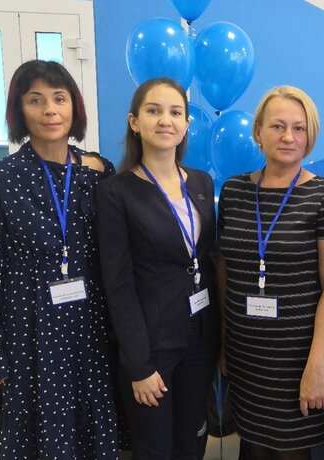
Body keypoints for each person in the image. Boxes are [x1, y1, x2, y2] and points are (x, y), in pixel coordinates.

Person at [0, 60, 118, 459]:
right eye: (36, 100)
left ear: (74, 108)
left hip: (90, 325)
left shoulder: (97, 172)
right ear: (20, 110)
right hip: (29, 329)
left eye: (59, 99)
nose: (50, 110)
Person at [217, 85, 324, 460]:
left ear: (310, 136)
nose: (288, 136)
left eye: (298, 128)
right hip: (245, 354)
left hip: (297, 359)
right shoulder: (233, 191)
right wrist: (223, 344)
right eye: (277, 126)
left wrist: (318, 366)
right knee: (253, 447)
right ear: (258, 132)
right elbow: (225, 272)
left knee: (290, 451)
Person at [95, 77, 219, 460]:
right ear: (135, 122)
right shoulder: (116, 192)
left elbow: (206, 261)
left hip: (200, 340)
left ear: (186, 124)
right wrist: (138, 365)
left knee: (191, 442)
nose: (166, 120)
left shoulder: (201, 183)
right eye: (154, 111)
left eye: (175, 112)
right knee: (154, 449)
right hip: (152, 347)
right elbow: (118, 285)